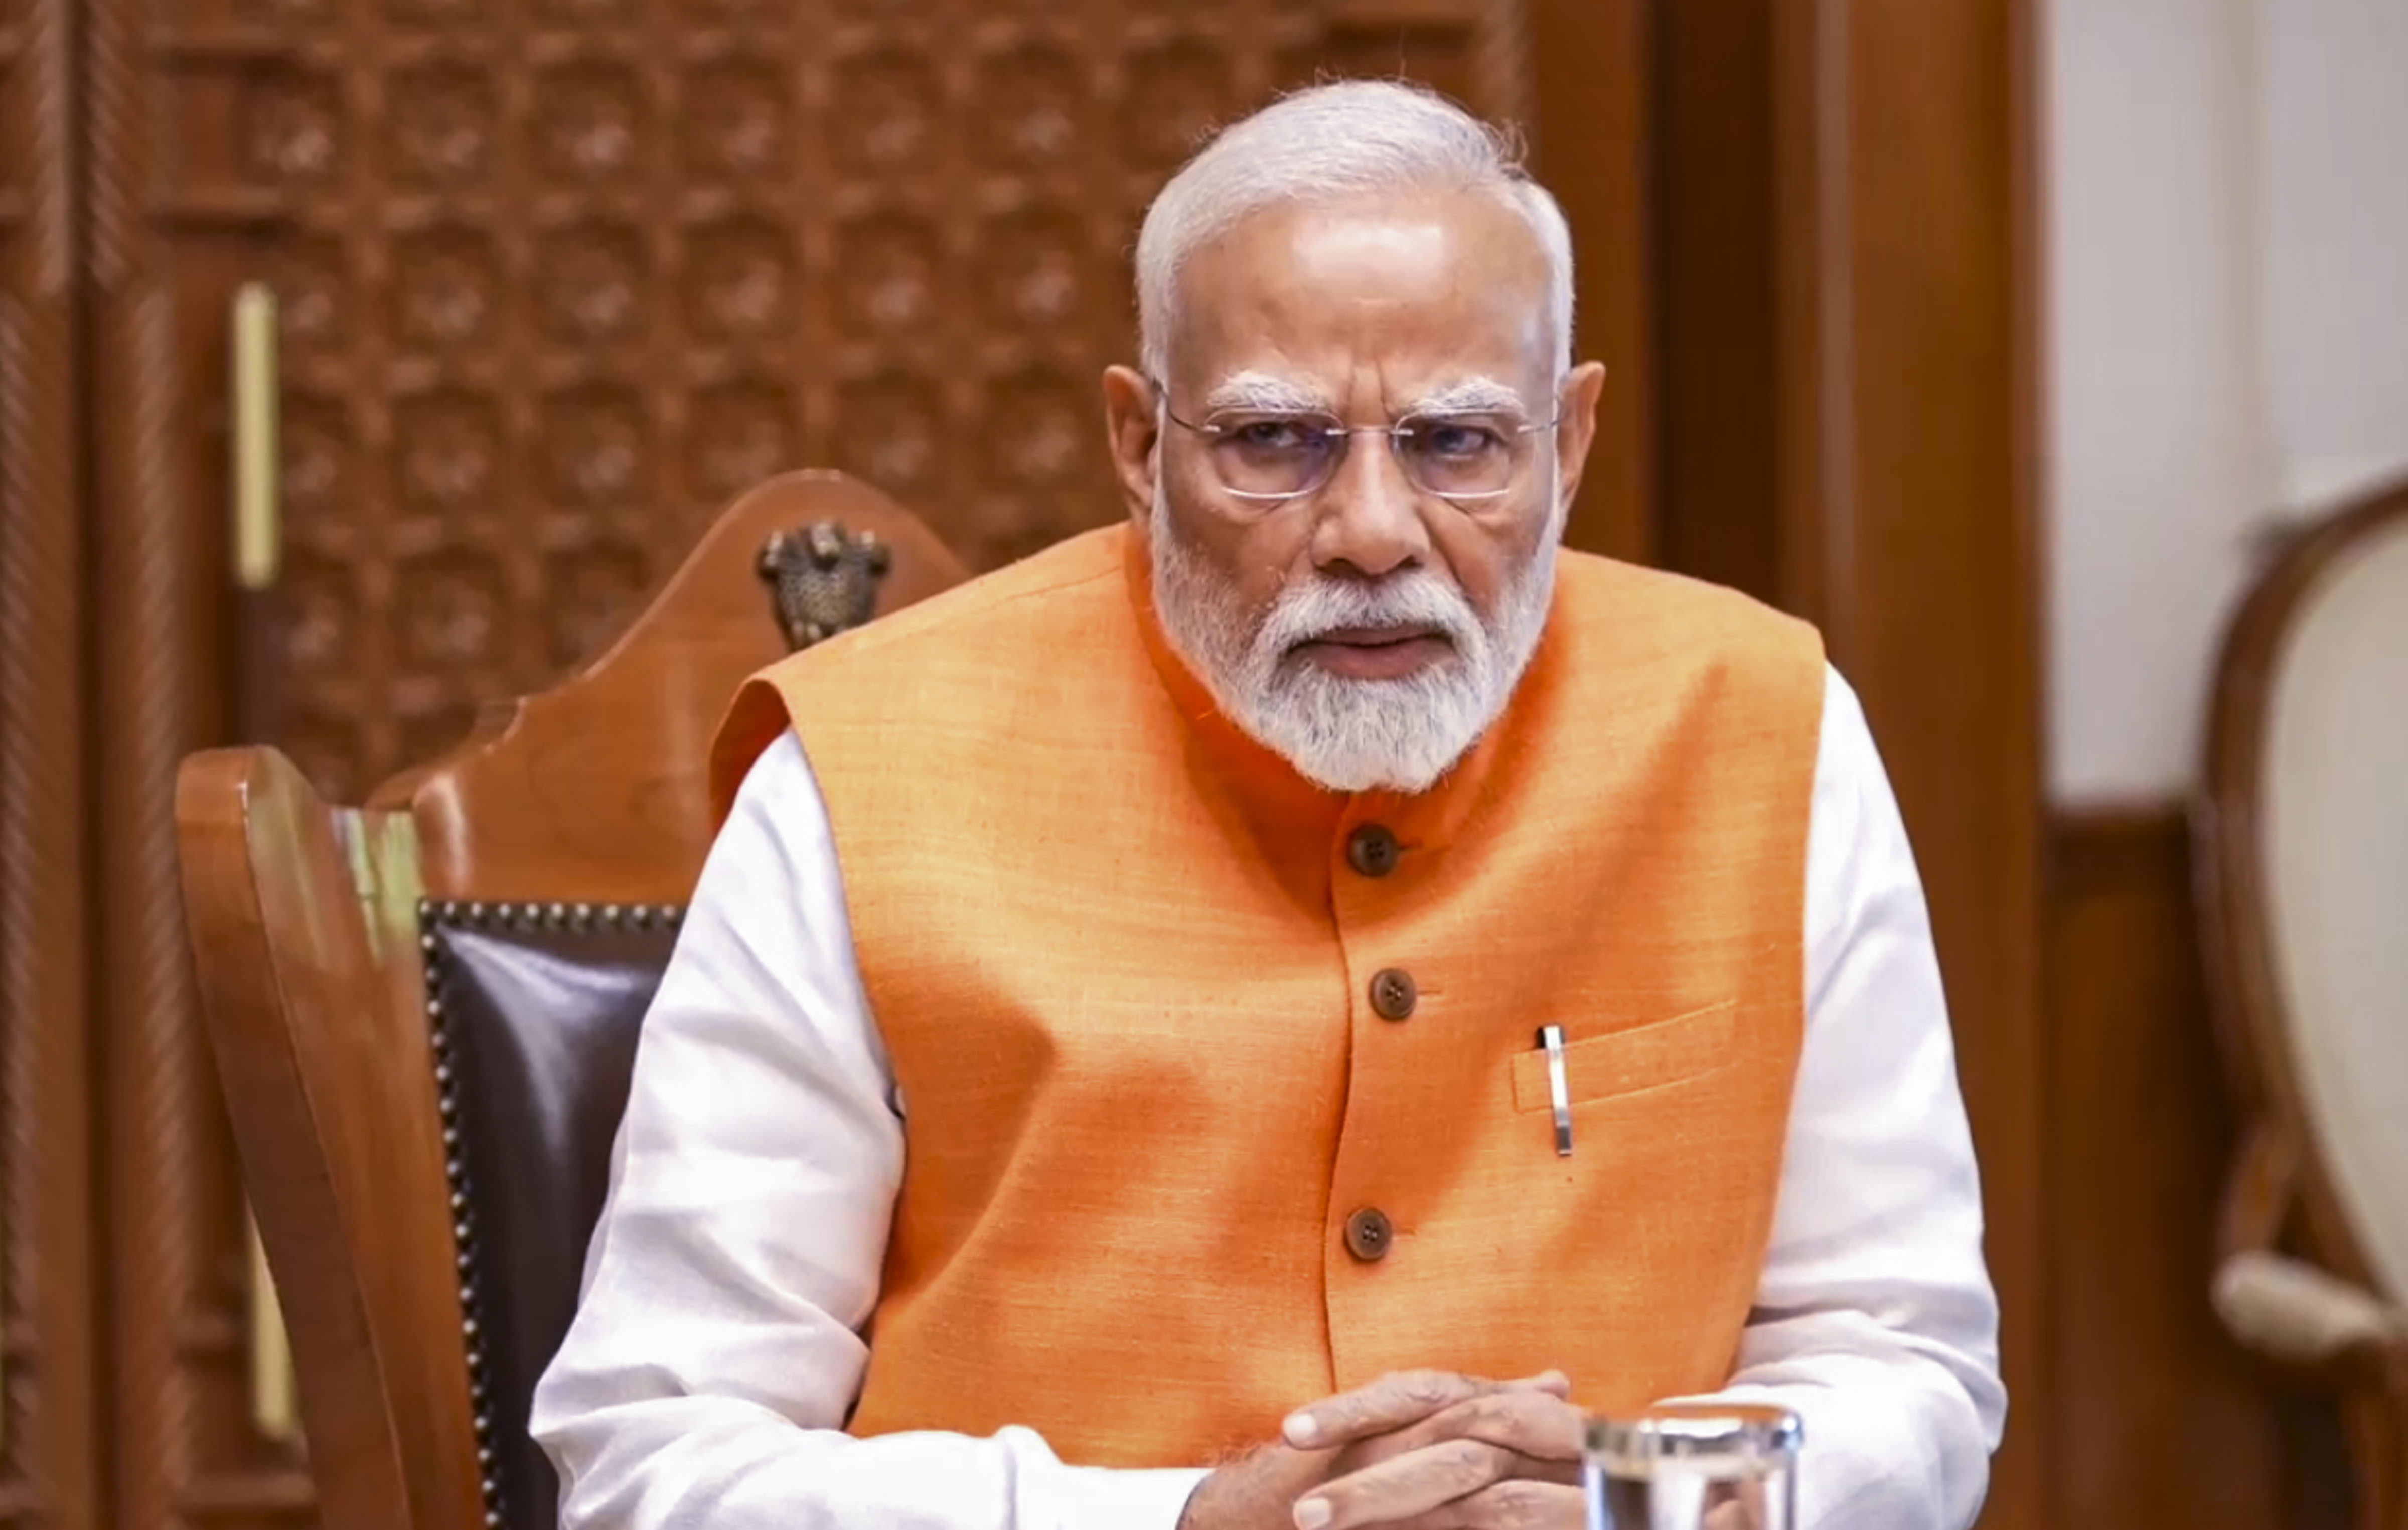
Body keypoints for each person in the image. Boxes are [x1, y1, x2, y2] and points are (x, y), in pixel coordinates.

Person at [530, 79, 2005, 1530]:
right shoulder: (857, 774)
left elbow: (1910, 1366)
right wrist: (1182, 1524)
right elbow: (654, 1460)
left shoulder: (1765, 729)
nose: (1370, 531)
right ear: (1139, 446)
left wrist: (1653, 1500)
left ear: (1568, 444)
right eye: (1274, 442)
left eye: (1457, 442)